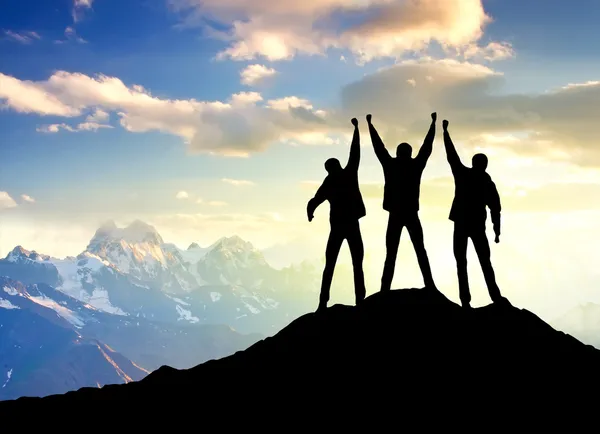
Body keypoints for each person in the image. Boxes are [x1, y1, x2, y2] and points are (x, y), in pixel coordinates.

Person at [442, 119, 510, 308]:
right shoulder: (487, 183)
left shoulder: (464, 175)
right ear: (485, 165)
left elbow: (451, 156)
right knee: (483, 262)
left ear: (474, 163)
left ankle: (466, 301)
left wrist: (445, 133)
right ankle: (493, 296)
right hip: (476, 225)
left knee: (462, 262)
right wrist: (497, 230)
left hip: (463, 224)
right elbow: (495, 209)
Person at [366, 113, 437, 292]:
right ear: (409, 153)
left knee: (393, 254)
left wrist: (370, 125)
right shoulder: (415, 165)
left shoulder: (391, 165)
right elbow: (427, 147)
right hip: (408, 214)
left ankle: (385, 289)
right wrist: (433, 124)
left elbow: (379, 148)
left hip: (397, 214)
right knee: (419, 250)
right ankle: (429, 285)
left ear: (398, 153)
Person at [307, 117, 367, 312]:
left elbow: (314, 201)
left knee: (331, 265)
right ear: (337, 166)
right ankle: (359, 301)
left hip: (338, 227)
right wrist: (357, 129)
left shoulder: (329, 182)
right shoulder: (347, 174)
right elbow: (355, 152)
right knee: (356, 263)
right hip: (350, 225)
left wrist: (311, 212)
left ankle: (323, 303)